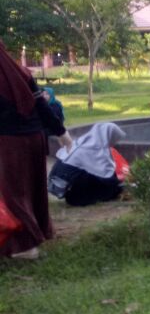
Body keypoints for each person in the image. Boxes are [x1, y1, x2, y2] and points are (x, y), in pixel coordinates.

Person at [0, 41, 73, 259]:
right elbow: (41, 105)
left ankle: (25, 246)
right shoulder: (22, 72)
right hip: (35, 138)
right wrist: (61, 133)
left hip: (11, 142)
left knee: (14, 194)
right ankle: (41, 231)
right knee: (34, 188)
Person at [49, 122, 126, 206]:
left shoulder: (80, 143)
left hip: (59, 184)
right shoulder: (95, 149)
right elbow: (107, 176)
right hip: (73, 190)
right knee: (112, 188)